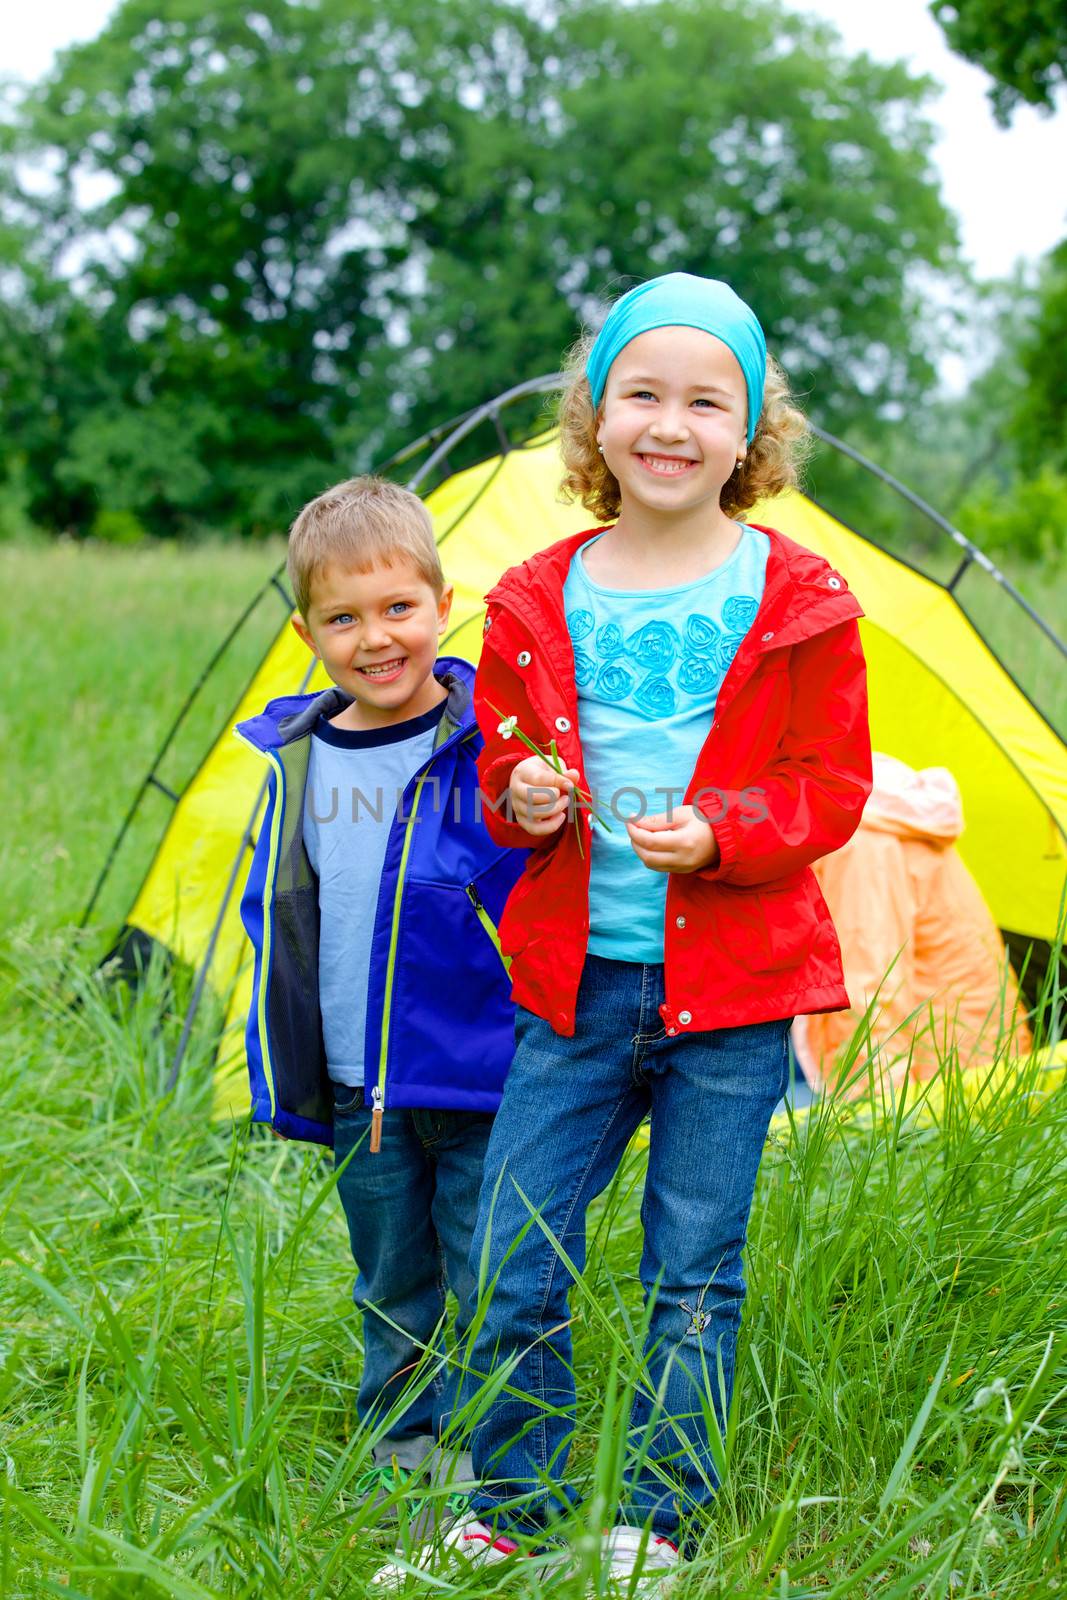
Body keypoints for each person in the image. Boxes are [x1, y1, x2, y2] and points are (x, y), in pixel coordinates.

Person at [390, 272, 873, 1585]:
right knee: (510, 1246)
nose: (669, 422)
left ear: (749, 431)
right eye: (640, 392)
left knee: (692, 1273)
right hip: (573, 985)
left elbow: (828, 787)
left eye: (704, 399)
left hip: (730, 989)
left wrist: (722, 833)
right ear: (592, 418)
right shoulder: (541, 594)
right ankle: (513, 1505)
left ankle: (656, 1523)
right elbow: (501, 771)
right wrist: (526, 797)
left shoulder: (799, 594)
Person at [236, 476, 525, 1505]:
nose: (375, 637)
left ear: (443, 604)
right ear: (305, 628)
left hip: (484, 1074)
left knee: (497, 1277)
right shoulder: (298, 759)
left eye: (398, 607)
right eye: (343, 617)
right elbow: (283, 924)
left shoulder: (490, 738)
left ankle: (507, 1461)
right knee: (395, 1280)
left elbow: (533, 895)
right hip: (364, 1088)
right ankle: (405, 1455)